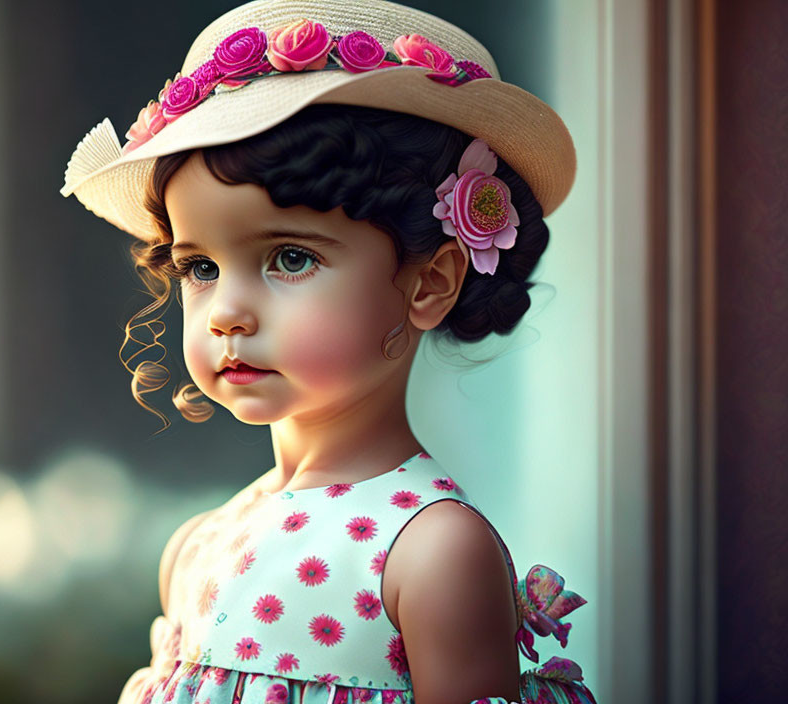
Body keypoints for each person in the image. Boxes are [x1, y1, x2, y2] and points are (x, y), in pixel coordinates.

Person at [60, 1, 597, 702]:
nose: (227, 312)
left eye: (288, 257)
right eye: (200, 267)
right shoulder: (197, 547)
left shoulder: (432, 551)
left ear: (429, 282)